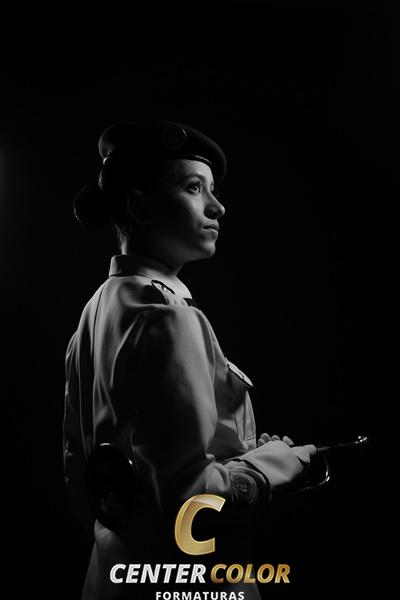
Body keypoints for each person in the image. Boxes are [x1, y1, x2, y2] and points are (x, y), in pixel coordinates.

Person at [63, 121, 317, 600]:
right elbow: (190, 502)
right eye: (194, 188)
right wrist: (273, 467)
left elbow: (86, 484)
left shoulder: (93, 315)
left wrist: (240, 455)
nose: (217, 207)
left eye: (212, 191)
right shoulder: (169, 319)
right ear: (140, 207)